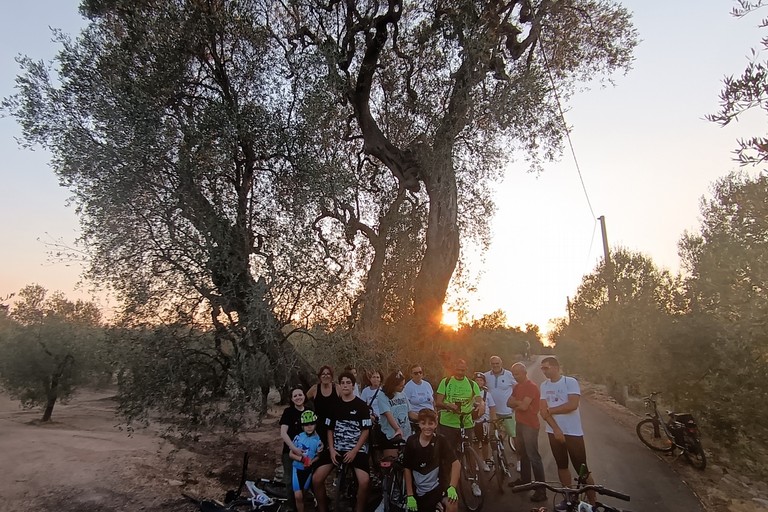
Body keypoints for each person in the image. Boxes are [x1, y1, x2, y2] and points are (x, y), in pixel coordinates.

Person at [312, 371, 372, 512]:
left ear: (353, 386)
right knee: (316, 479)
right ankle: (323, 508)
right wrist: (331, 449)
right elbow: (330, 430)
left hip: (356, 450)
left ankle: (359, 508)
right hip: (337, 448)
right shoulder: (334, 406)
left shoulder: (362, 406)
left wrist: (355, 450)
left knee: (364, 482)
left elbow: (366, 431)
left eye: (348, 383)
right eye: (343, 383)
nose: (345, 385)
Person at [539, 356, 595, 504]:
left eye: (546, 367)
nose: (544, 371)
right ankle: (569, 498)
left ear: (556, 367)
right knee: (562, 465)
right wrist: (556, 429)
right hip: (553, 432)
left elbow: (572, 405)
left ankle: (593, 502)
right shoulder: (544, 386)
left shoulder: (570, 382)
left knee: (582, 469)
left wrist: (551, 410)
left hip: (573, 432)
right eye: (542, 368)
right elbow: (543, 412)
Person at [403, 408, 461, 512]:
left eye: (431, 423)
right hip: (418, 492)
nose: (427, 427)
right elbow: (407, 468)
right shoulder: (411, 442)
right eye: (423, 423)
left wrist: (452, 486)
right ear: (419, 424)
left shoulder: (441, 440)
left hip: (438, 489)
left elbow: (456, 463)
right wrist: (410, 495)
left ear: (436, 424)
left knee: (452, 503)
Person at [507, 363, 546, 502]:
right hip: (520, 423)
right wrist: (519, 403)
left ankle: (541, 490)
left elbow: (523, 407)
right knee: (522, 453)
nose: (515, 377)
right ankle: (525, 481)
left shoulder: (532, 387)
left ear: (524, 372)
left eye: (517, 374)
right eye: (513, 374)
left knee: (533, 457)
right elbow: (508, 403)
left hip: (530, 425)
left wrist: (517, 403)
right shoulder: (517, 387)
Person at [434, 359, 483, 448]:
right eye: (458, 370)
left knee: (469, 449)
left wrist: (481, 405)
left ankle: (468, 461)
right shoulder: (446, 382)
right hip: (448, 423)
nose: (460, 372)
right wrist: (448, 405)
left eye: (463, 370)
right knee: (448, 452)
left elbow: (479, 399)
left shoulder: (472, 384)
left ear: (466, 369)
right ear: (454, 369)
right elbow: (438, 402)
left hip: (466, 423)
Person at [279, 387, 311, 512]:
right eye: (295, 396)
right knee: (290, 480)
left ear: (304, 396)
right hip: (290, 453)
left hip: (307, 453)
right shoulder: (288, 412)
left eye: (300, 395)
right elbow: (283, 433)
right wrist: (294, 448)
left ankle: (303, 505)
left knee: (304, 479)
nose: (298, 397)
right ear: (292, 399)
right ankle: (291, 507)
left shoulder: (309, 411)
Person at [289, 410, 324, 512]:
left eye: (312, 424)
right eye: (306, 424)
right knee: (298, 496)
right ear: (302, 426)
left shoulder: (317, 440)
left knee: (302, 495)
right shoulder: (298, 437)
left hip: (308, 471)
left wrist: (312, 462)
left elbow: (318, 456)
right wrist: (302, 459)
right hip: (297, 469)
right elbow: (291, 454)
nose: (309, 427)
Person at [377, 370, 412, 459]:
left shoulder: (403, 394)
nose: (403, 387)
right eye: (401, 386)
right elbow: (388, 414)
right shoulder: (382, 396)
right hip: (391, 435)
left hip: (406, 435)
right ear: (393, 385)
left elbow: (410, 413)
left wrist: (423, 417)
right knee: (391, 462)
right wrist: (397, 429)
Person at [483, 356, 517, 442]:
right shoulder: (485, 376)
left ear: (501, 363)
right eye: (493, 364)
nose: (495, 365)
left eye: (497, 363)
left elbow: (517, 388)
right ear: (490, 364)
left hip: (507, 411)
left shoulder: (509, 375)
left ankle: (519, 453)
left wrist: (515, 403)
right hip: (492, 412)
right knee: (492, 436)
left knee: (513, 434)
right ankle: (497, 453)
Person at [307, 365, 340, 443]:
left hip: (335, 425)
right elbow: (302, 400)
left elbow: (347, 401)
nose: (326, 376)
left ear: (331, 376)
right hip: (319, 426)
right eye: (323, 374)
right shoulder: (315, 388)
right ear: (320, 377)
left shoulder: (337, 388)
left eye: (328, 374)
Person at [472, 373, 496, 469]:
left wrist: (493, 419)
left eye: (481, 380)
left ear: (484, 382)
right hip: (473, 422)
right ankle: (477, 462)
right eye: (476, 380)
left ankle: (485, 461)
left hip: (484, 422)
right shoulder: (470, 393)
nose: (478, 382)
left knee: (485, 443)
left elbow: (492, 407)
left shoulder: (487, 394)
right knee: (475, 443)